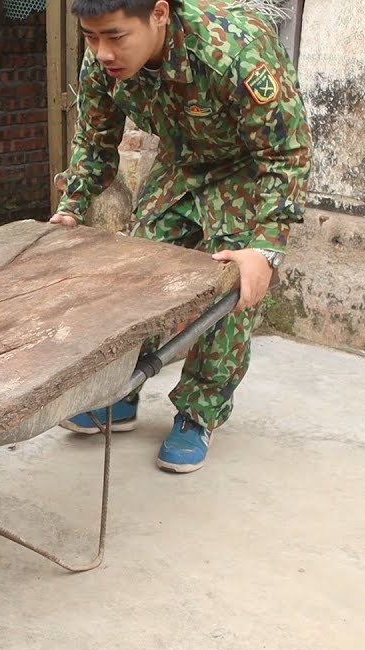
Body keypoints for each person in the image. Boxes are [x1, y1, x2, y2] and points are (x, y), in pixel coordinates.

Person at [49, 0, 311, 473]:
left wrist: (265, 248)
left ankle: (198, 414)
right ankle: (123, 389)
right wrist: (70, 208)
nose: (103, 51)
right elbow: (94, 139)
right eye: (91, 37)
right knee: (139, 271)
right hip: (180, 163)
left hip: (246, 169)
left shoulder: (235, 52)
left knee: (226, 290)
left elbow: (287, 152)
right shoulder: (102, 60)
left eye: (115, 36)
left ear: (159, 15)